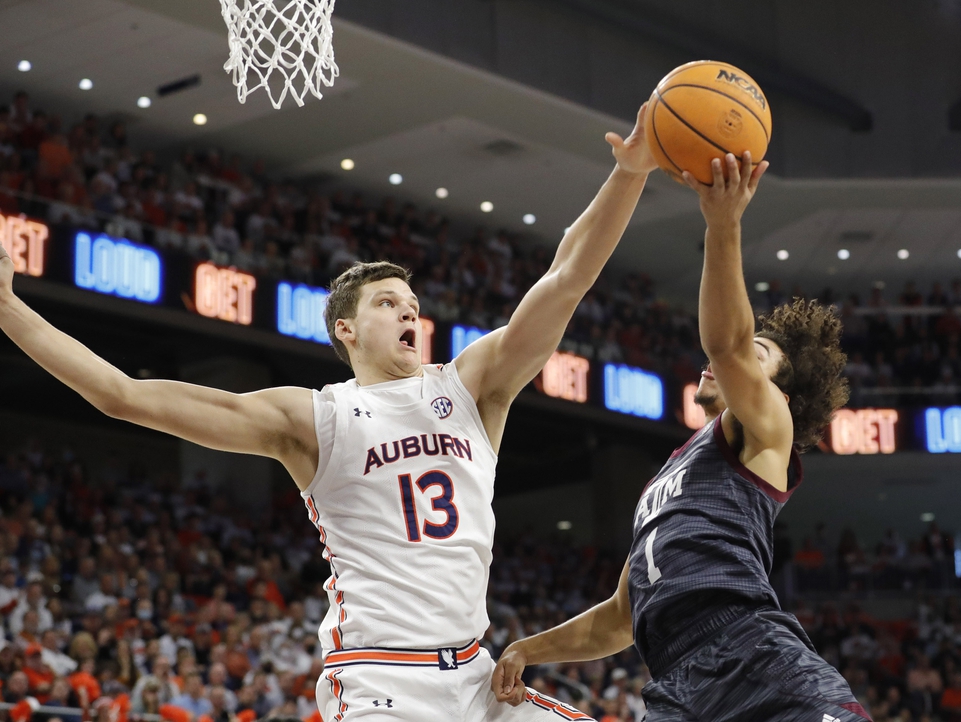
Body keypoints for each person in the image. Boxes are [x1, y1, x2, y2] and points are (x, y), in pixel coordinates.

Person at [0, 105, 658, 721]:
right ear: (345, 329)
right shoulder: (316, 417)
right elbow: (122, 395)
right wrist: (8, 309)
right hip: (381, 680)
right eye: (388, 303)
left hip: (476, 675)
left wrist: (629, 174)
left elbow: (567, 276)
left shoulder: (472, 386)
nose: (409, 311)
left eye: (412, 304)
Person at [491, 152, 860, 721]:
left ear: (779, 395)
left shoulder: (767, 428)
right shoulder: (669, 476)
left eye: (758, 356)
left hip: (752, 655)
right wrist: (528, 648)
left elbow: (726, 345)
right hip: (676, 683)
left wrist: (722, 222)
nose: (728, 362)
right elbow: (619, 616)